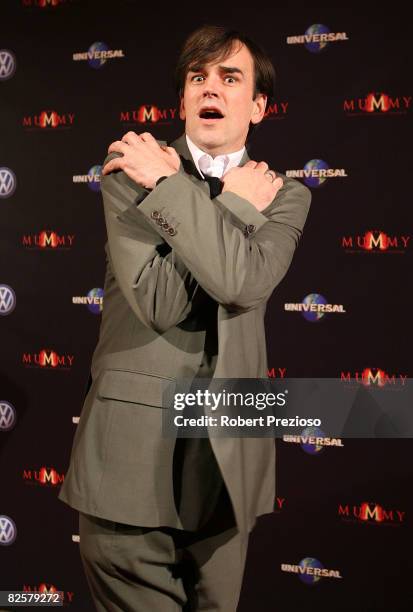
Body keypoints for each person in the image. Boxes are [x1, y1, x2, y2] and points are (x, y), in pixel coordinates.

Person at [58, 24, 311, 611]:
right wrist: (230, 204)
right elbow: (159, 302)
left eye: (229, 77)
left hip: (230, 461)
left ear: (259, 106)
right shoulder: (134, 166)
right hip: (130, 466)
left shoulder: (287, 193)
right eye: (197, 77)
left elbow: (239, 282)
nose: (209, 89)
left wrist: (184, 194)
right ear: (182, 100)